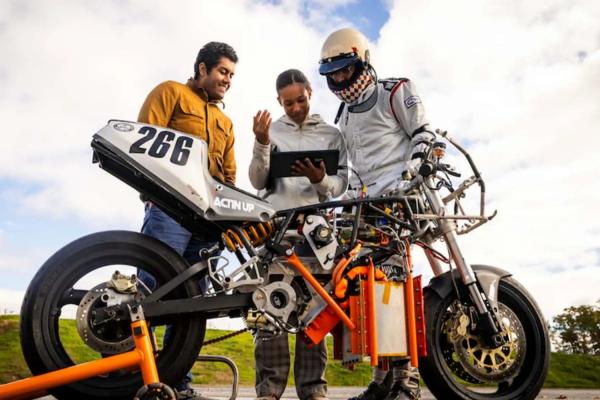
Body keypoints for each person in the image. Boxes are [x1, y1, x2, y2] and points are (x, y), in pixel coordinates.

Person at [318, 28, 436, 400]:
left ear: (362, 61)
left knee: (396, 291)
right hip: (365, 212)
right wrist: (342, 207)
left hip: (400, 204)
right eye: (332, 74)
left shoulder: (395, 91)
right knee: (366, 294)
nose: (339, 79)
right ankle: (382, 381)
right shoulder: (344, 118)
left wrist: (415, 172)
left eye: (344, 70)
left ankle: (407, 382)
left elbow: (424, 135)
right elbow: (355, 173)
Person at [137, 41, 238, 400]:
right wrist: (152, 194)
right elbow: (144, 142)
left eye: (231, 75)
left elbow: (228, 177)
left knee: (193, 302)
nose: (228, 80)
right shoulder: (171, 93)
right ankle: (136, 382)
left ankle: (179, 385)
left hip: (207, 221)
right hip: (168, 210)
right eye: (223, 71)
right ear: (202, 69)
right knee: (149, 291)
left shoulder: (226, 123)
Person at [249, 69, 349, 400]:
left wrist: (320, 179)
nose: (295, 108)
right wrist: (262, 143)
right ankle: (269, 390)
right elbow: (257, 181)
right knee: (271, 309)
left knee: (313, 311)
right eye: (288, 103)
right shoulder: (271, 131)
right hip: (275, 229)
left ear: (310, 92)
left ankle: (312, 390)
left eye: (301, 100)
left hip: (315, 233)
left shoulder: (332, 135)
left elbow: (339, 187)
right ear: (279, 101)